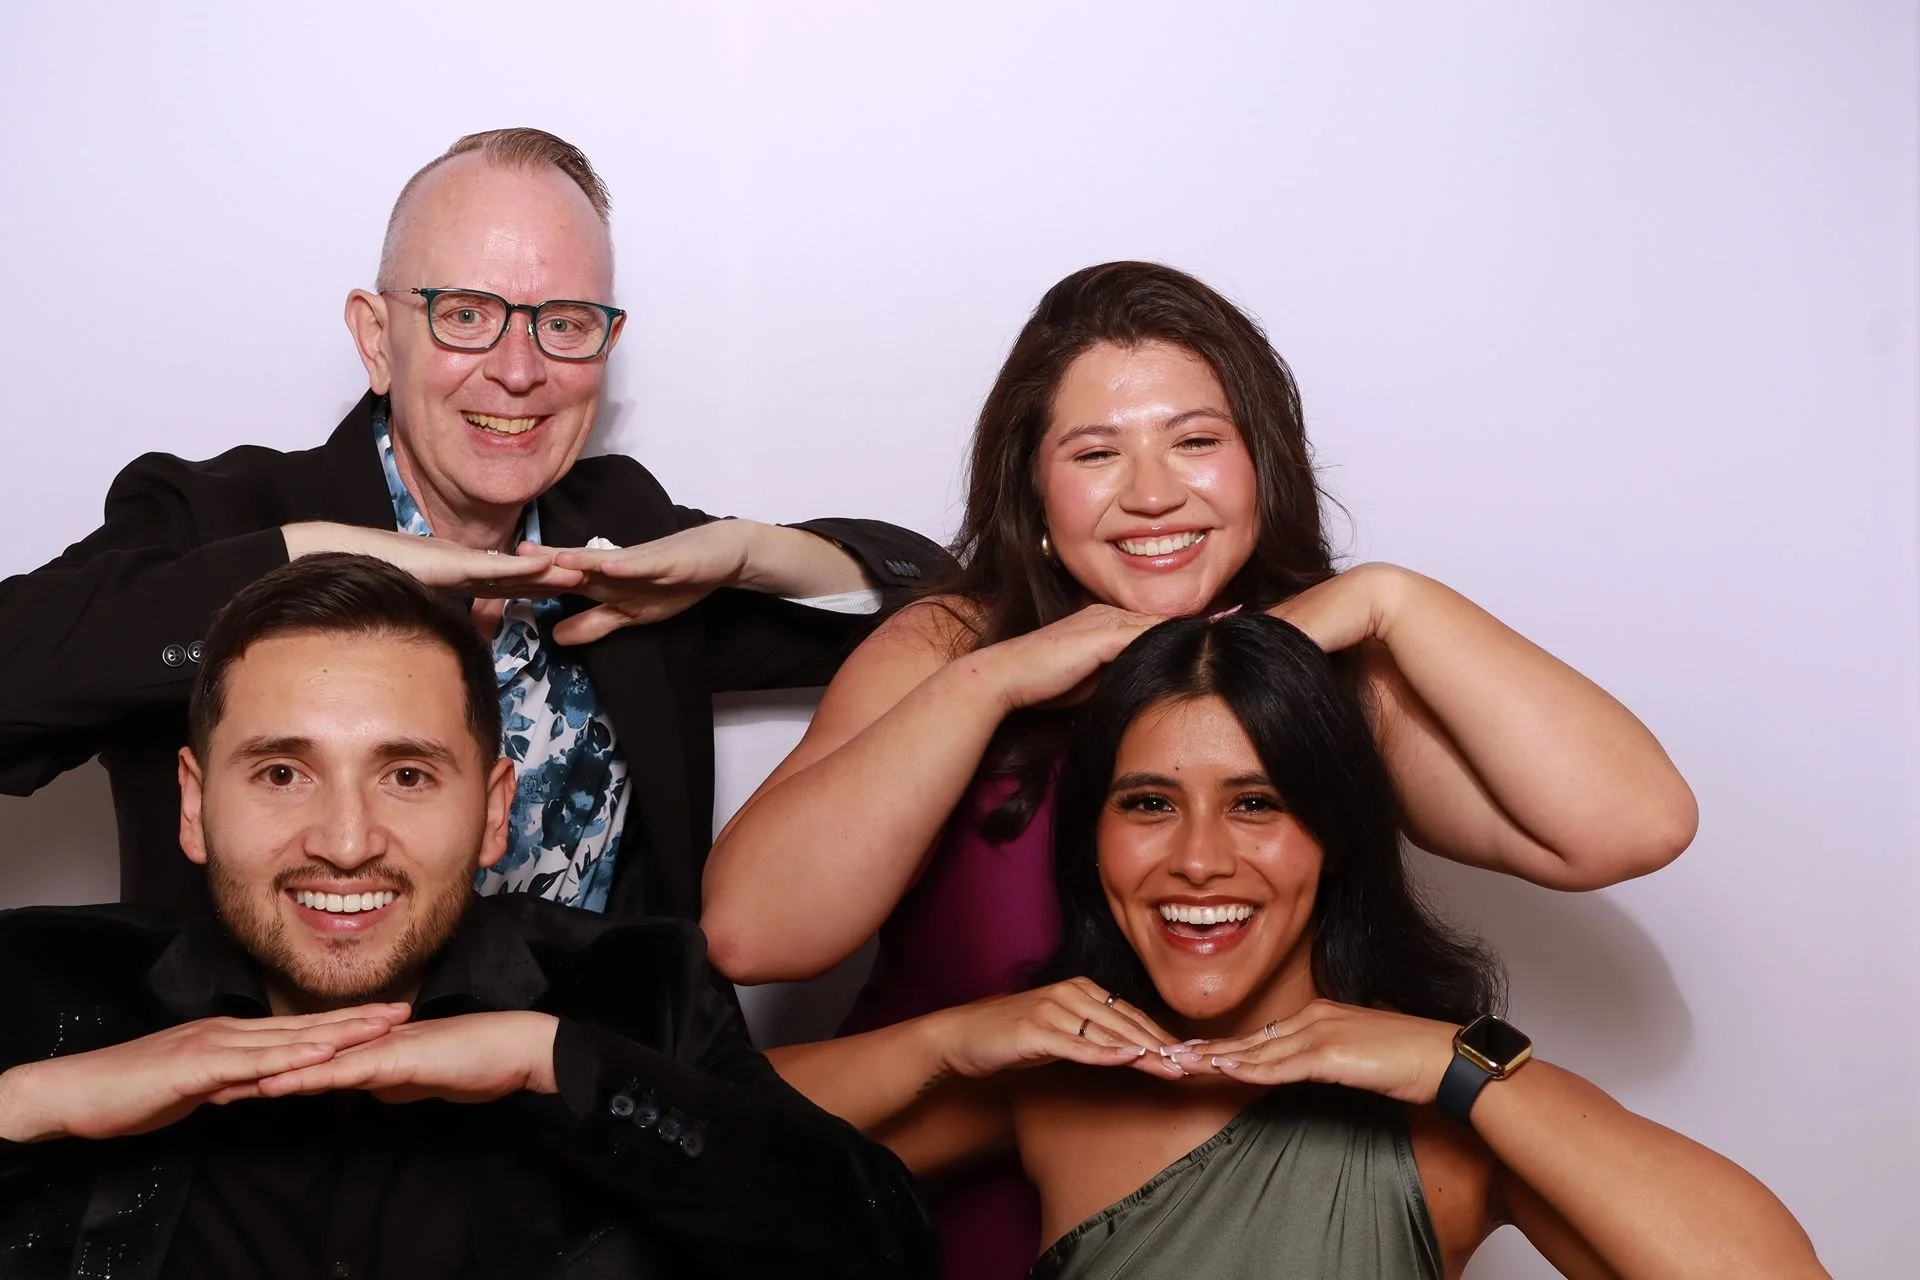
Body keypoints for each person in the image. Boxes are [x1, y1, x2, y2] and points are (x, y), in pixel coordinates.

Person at [700, 261, 1700, 1275]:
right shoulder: (953, 649)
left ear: (1262, 462)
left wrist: (1388, 600)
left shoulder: (1332, 686)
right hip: (891, 1214)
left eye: (1196, 440)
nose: (1151, 492)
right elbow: (752, 933)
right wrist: (994, 682)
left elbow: (1633, 823)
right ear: (1035, 491)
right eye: (1096, 451)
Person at [0, 126, 945, 921]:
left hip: (579, 1111)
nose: (519, 370)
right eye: (466, 314)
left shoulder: (619, 533)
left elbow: (945, 611)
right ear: (377, 337)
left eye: (564, 322)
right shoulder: (217, 519)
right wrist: (324, 563)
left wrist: (745, 551)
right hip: (285, 1122)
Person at [769, 612, 1823, 1279]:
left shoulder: (1443, 1120)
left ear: (1336, 835)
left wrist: (1447, 1062)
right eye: (1147, 802)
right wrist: (948, 1037)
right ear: (1093, 836)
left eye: (1256, 801)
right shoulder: (1067, 1081)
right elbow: (700, 1133)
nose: (1196, 858)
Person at [0, 554, 936, 1279]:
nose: (346, 839)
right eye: (282, 773)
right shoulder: (40, 985)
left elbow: (885, 1251)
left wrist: (561, 1065)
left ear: (494, 811)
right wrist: (25, 1108)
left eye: (406, 775)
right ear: (195, 806)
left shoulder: (638, 989)